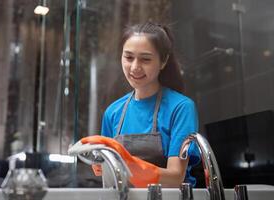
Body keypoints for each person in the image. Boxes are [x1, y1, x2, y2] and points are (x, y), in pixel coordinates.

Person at [79, 22, 200, 188]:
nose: (135, 67)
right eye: (128, 57)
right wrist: (101, 165)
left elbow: (176, 177)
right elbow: (109, 176)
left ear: (163, 62)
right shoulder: (113, 112)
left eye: (145, 59)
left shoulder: (181, 108)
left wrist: (132, 166)